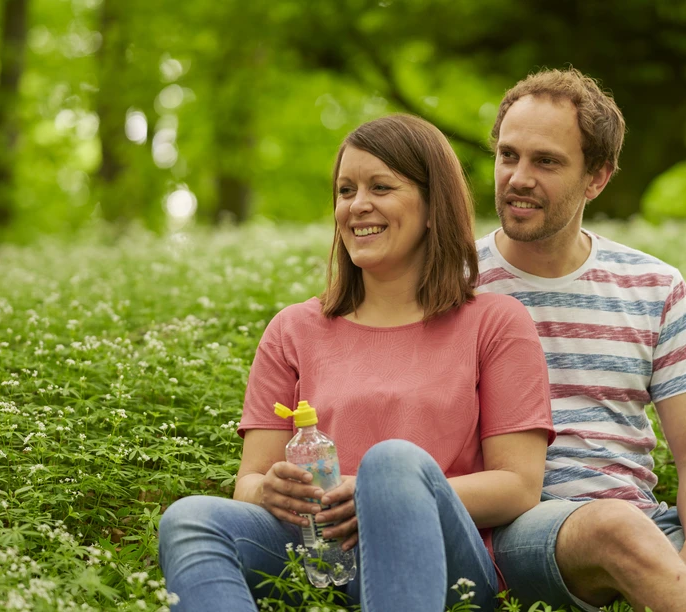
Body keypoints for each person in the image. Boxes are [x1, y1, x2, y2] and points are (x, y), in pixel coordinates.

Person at [158, 114, 555, 612]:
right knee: (190, 518)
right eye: (346, 191)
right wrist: (271, 493)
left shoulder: (495, 322)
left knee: (391, 463)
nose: (358, 205)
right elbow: (250, 481)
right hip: (316, 549)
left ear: (435, 206)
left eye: (381, 187)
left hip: (444, 559)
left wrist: (380, 494)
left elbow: (518, 487)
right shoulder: (292, 329)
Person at [478, 68, 686, 612]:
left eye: (546, 161)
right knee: (614, 528)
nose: (518, 177)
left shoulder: (654, 286)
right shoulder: (453, 282)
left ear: (597, 178)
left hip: (645, 527)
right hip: (519, 530)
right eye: (508, 155)